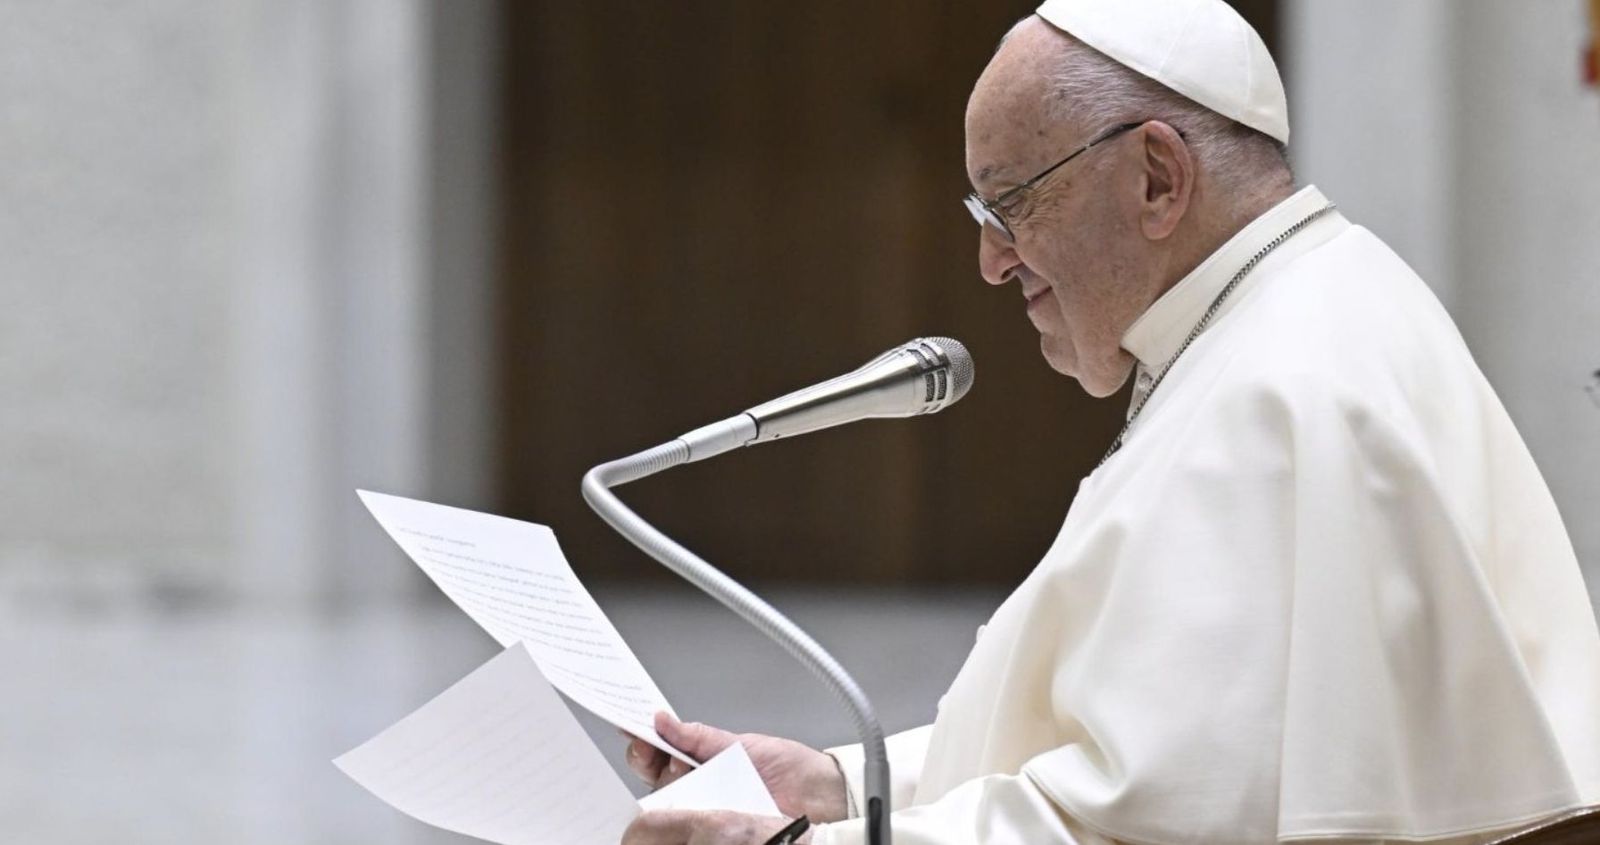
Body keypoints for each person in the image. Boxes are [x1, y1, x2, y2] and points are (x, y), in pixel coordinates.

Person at [619, 1, 1600, 842]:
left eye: (1010, 203)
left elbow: (1143, 825)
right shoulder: (1308, 306)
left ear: (1158, 178)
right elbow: (1127, 759)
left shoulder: (1278, 397)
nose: (992, 262)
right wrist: (841, 786)